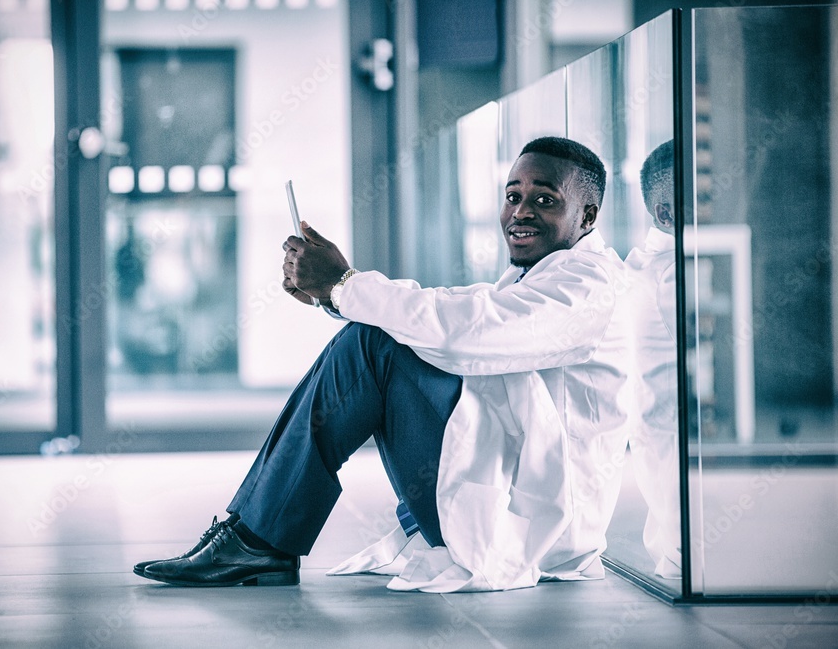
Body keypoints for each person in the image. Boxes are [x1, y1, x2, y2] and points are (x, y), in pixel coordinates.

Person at [134, 136, 633, 592]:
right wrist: (331, 294)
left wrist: (345, 284)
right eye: (512, 196)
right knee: (381, 335)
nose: (520, 212)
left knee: (373, 344)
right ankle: (257, 537)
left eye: (544, 200)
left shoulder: (587, 286)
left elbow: (465, 331)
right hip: (503, 493)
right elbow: (448, 310)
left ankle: (257, 538)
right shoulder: (542, 276)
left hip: (538, 527)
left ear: (588, 216)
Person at [624, 139, 682, 578]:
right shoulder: (669, 278)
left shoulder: (647, 266)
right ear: (666, 215)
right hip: (685, 535)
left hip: (672, 523)